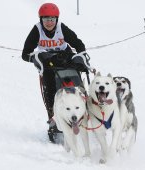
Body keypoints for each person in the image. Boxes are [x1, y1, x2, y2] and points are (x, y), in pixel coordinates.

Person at [21, 3, 89, 143]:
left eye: (52, 19)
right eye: (46, 19)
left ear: (56, 19)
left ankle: (82, 115)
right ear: (41, 20)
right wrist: (36, 57)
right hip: (48, 63)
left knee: (77, 88)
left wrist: (80, 57)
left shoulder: (61, 28)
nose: (49, 23)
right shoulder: (37, 30)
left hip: (65, 58)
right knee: (51, 92)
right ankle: (54, 121)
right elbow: (25, 54)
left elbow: (79, 44)